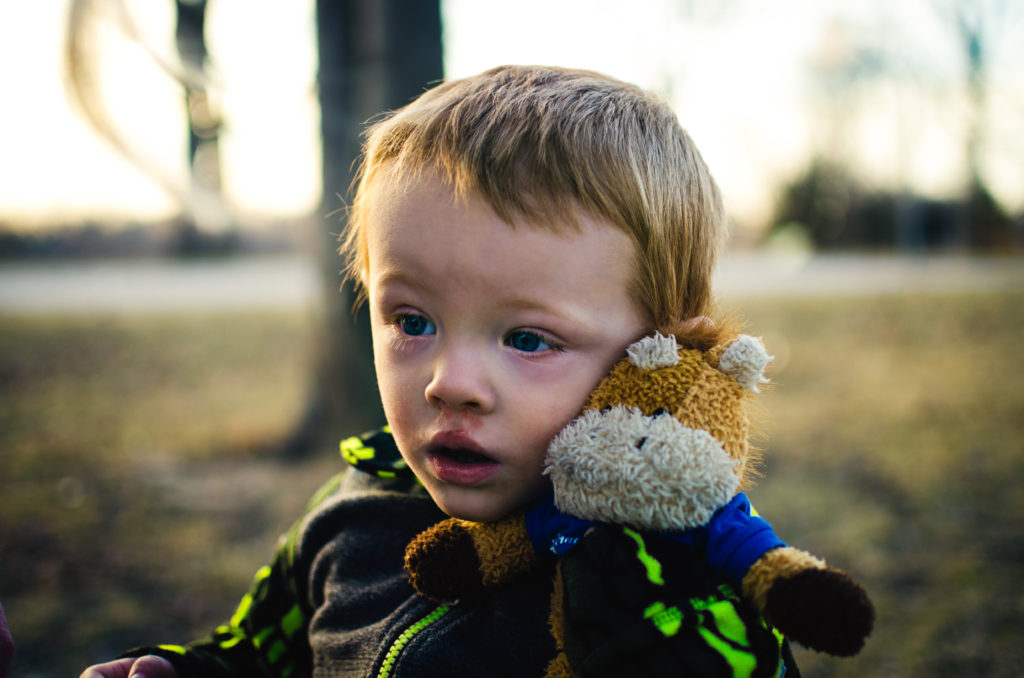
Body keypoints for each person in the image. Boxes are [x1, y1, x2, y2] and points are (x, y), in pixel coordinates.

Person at [81, 65, 797, 677]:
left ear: (661, 352)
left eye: (527, 338)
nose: (449, 383)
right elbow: (264, 651)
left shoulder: (674, 585)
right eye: (413, 322)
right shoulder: (352, 506)